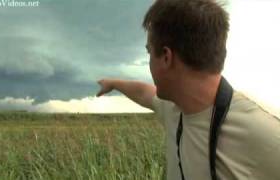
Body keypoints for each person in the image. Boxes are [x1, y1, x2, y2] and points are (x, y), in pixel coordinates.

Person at [96, 0, 280, 179]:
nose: (149, 62)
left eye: (149, 52)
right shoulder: (175, 107)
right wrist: (114, 83)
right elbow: (145, 93)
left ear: (166, 57)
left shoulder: (267, 134)